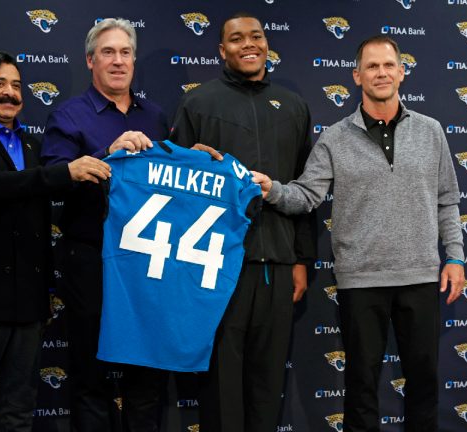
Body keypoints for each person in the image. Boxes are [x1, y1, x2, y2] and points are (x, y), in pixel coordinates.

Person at [254, 35, 466, 432]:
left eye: (389, 65)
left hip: (420, 276)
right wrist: (272, 190)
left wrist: (454, 257)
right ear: (356, 76)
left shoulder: (431, 131)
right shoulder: (335, 137)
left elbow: (447, 200)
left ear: (402, 72)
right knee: (361, 386)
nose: (381, 72)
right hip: (361, 281)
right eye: (372, 66)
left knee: (423, 385)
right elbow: (307, 194)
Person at [0, 51, 111, 432]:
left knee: (19, 413)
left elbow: (40, 216)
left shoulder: (32, 146)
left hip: (28, 302)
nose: (10, 93)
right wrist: (67, 171)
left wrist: (45, 292)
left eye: (16, 85)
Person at [169, 12, 315, 432]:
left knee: (269, 382)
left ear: (267, 44)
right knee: (221, 382)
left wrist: (302, 259)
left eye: (256, 36)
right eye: (237, 39)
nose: (248, 44)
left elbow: (307, 191)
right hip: (218, 267)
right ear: (222, 50)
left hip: (280, 265)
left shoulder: (293, 105)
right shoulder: (199, 102)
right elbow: (179, 194)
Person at [40, 18, 170, 432]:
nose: (118, 61)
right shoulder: (68, 115)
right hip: (91, 258)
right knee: (89, 373)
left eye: (125, 52)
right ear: (90, 61)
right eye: (108, 53)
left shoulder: (156, 115)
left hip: (145, 262)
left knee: (146, 374)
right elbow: (53, 175)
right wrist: (106, 153)